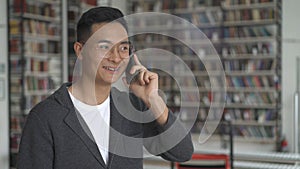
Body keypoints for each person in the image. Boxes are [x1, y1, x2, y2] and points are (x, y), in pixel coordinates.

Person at [17, 6, 194, 169]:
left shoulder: (132, 108)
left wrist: (153, 100)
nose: (116, 58)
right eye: (104, 47)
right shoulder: (45, 118)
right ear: (80, 51)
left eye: (123, 48)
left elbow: (182, 152)